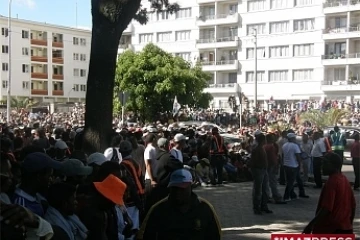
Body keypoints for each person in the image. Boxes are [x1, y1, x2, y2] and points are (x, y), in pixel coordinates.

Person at [137, 169, 221, 240]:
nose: (178, 192)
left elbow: (215, 235)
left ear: (191, 187)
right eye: (175, 188)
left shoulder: (204, 208)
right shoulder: (158, 210)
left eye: (182, 189)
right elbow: (145, 236)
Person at [303, 153, 356, 234]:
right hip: (344, 227)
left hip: (331, 229)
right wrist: (349, 224)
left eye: (325, 164)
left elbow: (326, 208)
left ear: (334, 166)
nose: (322, 167)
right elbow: (353, 206)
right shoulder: (344, 179)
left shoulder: (332, 182)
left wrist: (310, 225)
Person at [249, 133, 272, 214]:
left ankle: (264, 205)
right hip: (258, 170)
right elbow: (253, 162)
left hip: (263, 170)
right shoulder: (257, 149)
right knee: (258, 190)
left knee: (265, 188)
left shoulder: (261, 148)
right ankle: (256, 208)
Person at [282, 133, 308, 201]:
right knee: (291, 182)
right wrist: (300, 165)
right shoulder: (295, 146)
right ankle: (286, 196)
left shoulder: (284, 145)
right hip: (293, 165)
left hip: (286, 165)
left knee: (293, 180)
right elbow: (298, 156)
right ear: (292, 138)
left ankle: (293, 194)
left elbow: (283, 155)